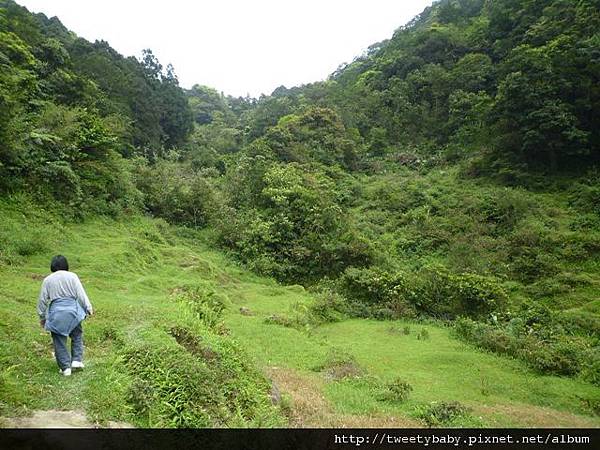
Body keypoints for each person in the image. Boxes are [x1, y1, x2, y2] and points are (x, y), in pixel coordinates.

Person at [37, 255, 94, 376]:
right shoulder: (73, 276)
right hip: (73, 311)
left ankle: (65, 368)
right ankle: (77, 360)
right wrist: (88, 308)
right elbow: (81, 294)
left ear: (52, 266)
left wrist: (42, 317)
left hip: (56, 313)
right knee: (77, 334)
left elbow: (42, 300)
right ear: (66, 265)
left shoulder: (47, 280)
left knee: (59, 340)